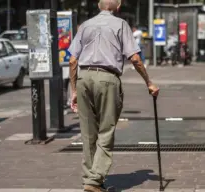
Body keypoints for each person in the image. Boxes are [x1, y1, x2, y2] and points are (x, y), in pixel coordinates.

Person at [68, 0, 160, 191]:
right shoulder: (121, 25)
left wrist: (74, 90)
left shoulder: (85, 25)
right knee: (106, 131)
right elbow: (134, 57)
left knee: (87, 133)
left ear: (99, 6)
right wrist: (148, 82)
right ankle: (94, 180)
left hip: (84, 77)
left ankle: (91, 178)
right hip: (107, 79)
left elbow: (73, 60)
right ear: (117, 7)